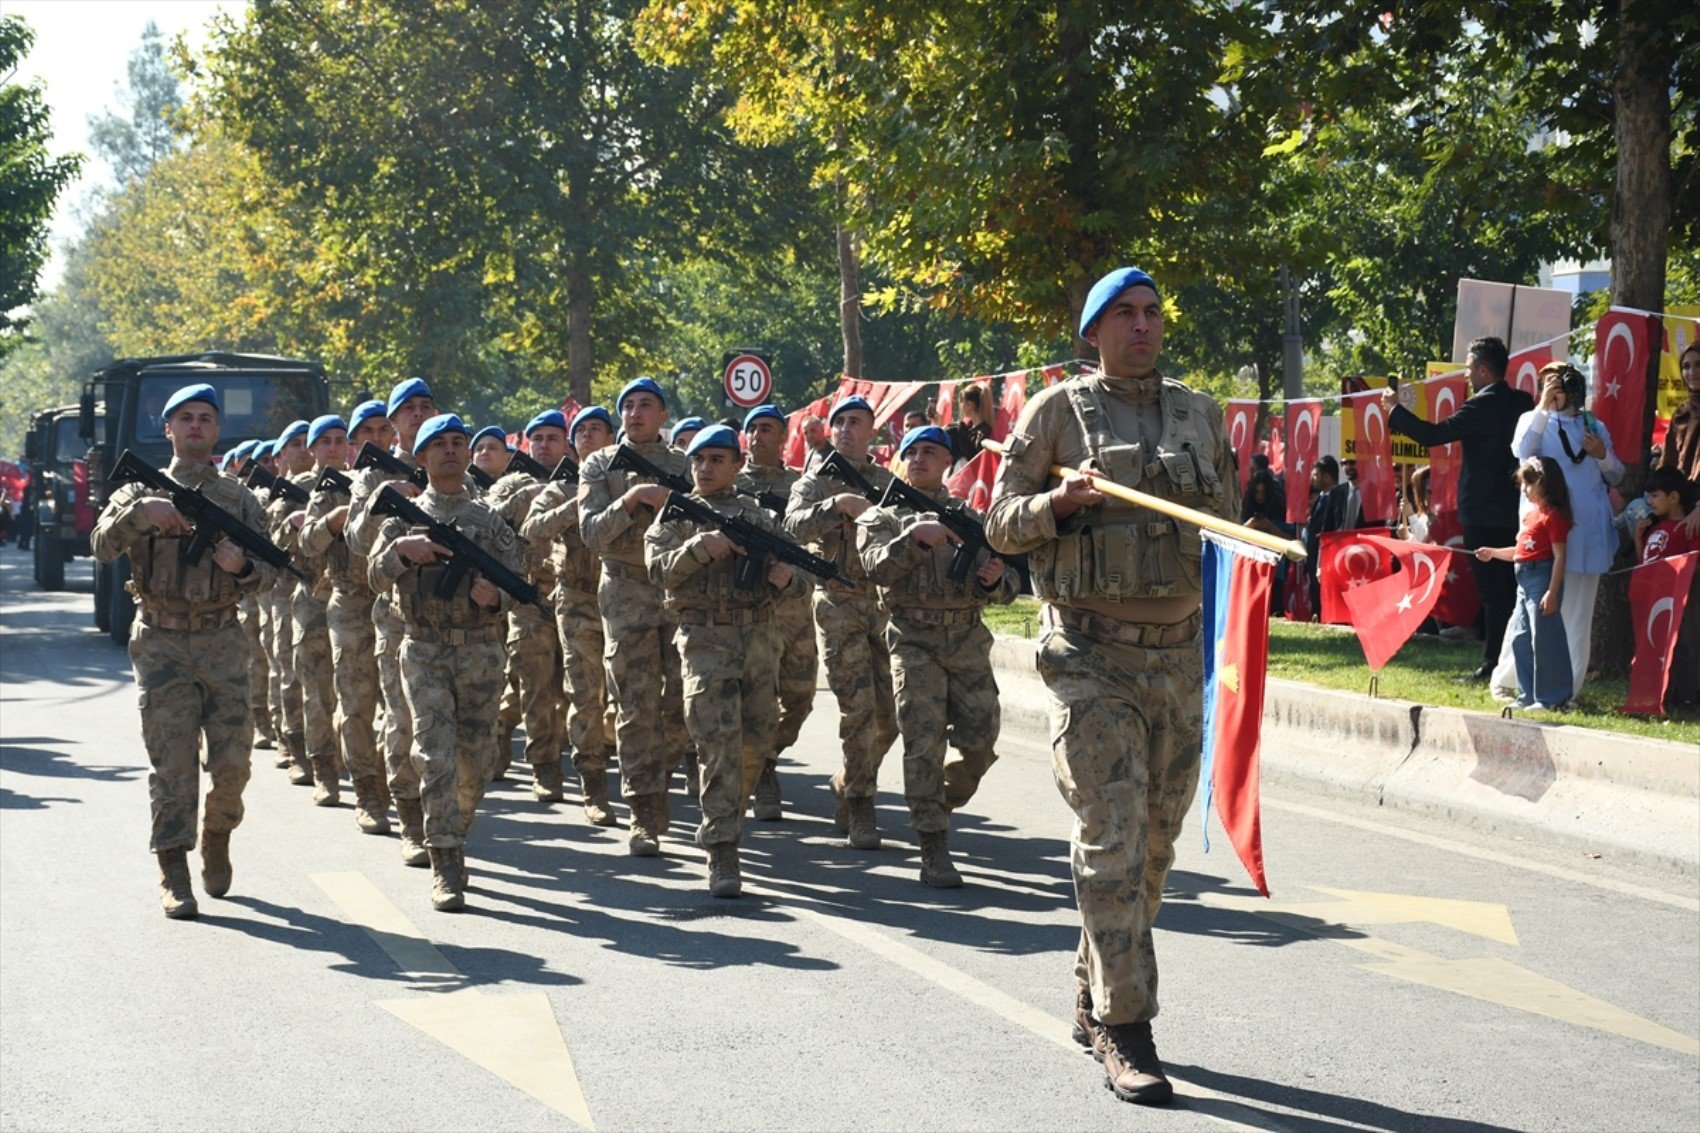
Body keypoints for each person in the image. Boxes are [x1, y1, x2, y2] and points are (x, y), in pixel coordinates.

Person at [985, 266, 1236, 1105]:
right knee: (1112, 835)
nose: (1143, 325)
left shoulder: (1204, 412)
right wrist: (1055, 505)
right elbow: (998, 520)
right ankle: (1128, 1029)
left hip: (1177, 657)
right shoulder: (1054, 412)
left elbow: (1227, 526)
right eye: (1124, 313)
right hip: (1089, 657)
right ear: (1093, 331)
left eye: (1153, 311)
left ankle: (1095, 987)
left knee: (1155, 847)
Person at [90, 383, 276, 919]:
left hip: (222, 639)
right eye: (185, 418)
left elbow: (267, 573)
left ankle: (217, 832)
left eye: (205, 419)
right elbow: (102, 547)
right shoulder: (136, 491)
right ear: (168, 427)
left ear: (217, 431)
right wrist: (140, 512)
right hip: (162, 641)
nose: (196, 426)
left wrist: (239, 566)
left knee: (234, 764)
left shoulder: (239, 499)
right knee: (171, 764)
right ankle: (173, 865)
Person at [369, 413, 523, 911]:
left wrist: (494, 597)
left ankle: (453, 828)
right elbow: (372, 575)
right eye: (440, 444)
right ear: (423, 456)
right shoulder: (400, 519)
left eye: (460, 442)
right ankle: (446, 860)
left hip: (480, 649)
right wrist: (402, 550)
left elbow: (518, 586)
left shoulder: (490, 521)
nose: (452, 451)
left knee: (475, 761)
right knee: (434, 755)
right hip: (424, 647)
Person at [857, 425, 1019, 887]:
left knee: (980, 743)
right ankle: (932, 846)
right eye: (912, 452)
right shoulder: (882, 518)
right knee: (922, 743)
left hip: (967, 641)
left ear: (948, 462)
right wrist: (914, 538)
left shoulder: (972, 518)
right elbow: (874, 568)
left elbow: (1008, 588)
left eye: (931, 452)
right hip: (914, 639)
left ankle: (937, 801)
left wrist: (994, 580)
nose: (920, 459)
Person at [644, 425, 803, 896]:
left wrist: (788, 579)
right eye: (699, 460)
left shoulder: (759, 517)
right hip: (704, 639)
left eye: (717, 459)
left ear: (737, 465)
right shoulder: (676, 518)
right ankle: (722, 850)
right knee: (717, 744)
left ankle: (727, 819)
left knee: (756, 740)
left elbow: (803, 574)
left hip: (757, 637)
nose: (706, 468)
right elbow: (656, 571)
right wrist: (700, 547)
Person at [344, 377, 458, 868]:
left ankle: (446, 814)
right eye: (407, 409)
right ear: (391, 425)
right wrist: (382, 496)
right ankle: (407, 816)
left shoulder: (453, 465)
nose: (416, 414)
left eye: (424, 406)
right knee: (403, 719)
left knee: (452, 729)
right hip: (399, 619)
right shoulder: (371, 477)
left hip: (457, 618)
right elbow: (353, 539)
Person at [577, 377, 692, 854]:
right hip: (625, 588)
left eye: (646, 405)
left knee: (683, 701)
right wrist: (630, 501)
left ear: (663, 416)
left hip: (679, 589)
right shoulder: (600, 465)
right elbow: (589, 533)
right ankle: (642, 809)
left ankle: (660, 778)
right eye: (627, 406)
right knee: (634, 703)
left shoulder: (688, 465)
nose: (635, 413)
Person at [783, 395, 899, 849]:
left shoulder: (888, 482)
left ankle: (847, 779)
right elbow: (791, 526)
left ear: (873, 431)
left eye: (857, 422)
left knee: (890, 718)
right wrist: (836, 507)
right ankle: (861, 808)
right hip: (837, 602)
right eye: (840, 423)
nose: (847, 429)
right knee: (858, 709)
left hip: (883, 605)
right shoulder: (815, 482)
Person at [1383, 336, 1533, 680]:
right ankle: (1510, 660)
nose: (1467, 377)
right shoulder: (1523, 401)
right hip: (1515, 510)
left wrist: (1394, 410)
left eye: (1468, 369)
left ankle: (1495, 662)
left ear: (1482, 368)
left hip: (1482, 513)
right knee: (1510, 590)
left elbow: (1432, 435)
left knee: (1494, 595)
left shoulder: (1480, 406)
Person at [299, 399, 394, 833]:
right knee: (355, 702)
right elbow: (307, 543)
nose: (376, 439)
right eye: (367, 433)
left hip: (397, 604)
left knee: (399, 706)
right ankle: (366, 791)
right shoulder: (334, 489)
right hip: (351, 603)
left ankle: (400, 787)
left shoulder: (410, 478)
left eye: (382, 429)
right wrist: (334, 520)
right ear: (357, 444)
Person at [521, 405, 618, 825]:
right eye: (581, 431)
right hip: (576, 601)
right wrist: (572, 508)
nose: (589, 437)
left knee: (637, 698)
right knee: (582, 693)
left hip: (626, 600)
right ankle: (589, 782)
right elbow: (531, 529)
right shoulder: (560, 488)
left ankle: (652, 775)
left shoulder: (624, 485)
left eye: (598, 430)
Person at [1500, 361, 1622, 699]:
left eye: (1564, 380)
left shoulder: (1594, 425)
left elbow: (1617, 476)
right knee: (1532, 614)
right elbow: (1522, 452)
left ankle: (1567, 690)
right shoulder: (1531, 419)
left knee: (1578, 617)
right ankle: (1512, 680)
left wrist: (1602, 454)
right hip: (1543, 539)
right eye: (1548, 381)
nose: (1557, 387)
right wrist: (1543, 407)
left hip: (1586, 536)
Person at [487, 409, 572, 801]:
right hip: (527, 595)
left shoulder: (581, 480)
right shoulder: (511, 484)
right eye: (537, 438)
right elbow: (486, 520)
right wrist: (525, 497)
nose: (544, 445)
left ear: (566, 443)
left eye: (553, 438)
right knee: (534, 681)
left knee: (564, 684)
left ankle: (503, 728)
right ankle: (543, 765)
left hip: (571, 594)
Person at [736, 403, 815, 821]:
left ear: (784, 437)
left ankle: (767, 751)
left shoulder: (800, 486)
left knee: (800, 700)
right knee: (758, 701)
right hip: (752, 610)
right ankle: (761, 768)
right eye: (753, 429)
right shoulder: (732, 482)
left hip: (796, 608)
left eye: (768, 429)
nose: (758, 436)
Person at [281, 415, 350, 807]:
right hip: (311, 599)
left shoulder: (362, 486)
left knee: (359, 694)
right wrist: (294, 522)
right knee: (316, 691)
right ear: (312, 449)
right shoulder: (297, 489)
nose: (333, 448)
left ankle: (360, 766)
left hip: (356, 599)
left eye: (340, 440)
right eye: (325, 442)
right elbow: (274, 538)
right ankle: (322, 768)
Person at [1475, 457, 1572, 710]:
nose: (1524, 490)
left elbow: (1560, 555)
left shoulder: (1553, 516)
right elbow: (1519, 551)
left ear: (1543, 483)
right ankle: (1528, 694)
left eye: (1528, 484)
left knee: (1544, 638)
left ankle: (1551, 697)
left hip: (1541, 578)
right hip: (1523, 582)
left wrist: (1552, 590)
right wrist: (1493, 553)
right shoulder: (1531, 516)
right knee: (1520, 637)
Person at [265, 420, 315, 789]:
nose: (302, 450)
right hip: (284, 595)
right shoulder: (279, 499)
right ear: (280, 456)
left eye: (305, 443)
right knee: (289, 673)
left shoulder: (324, 490)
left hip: (321, 594)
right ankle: (292, 743)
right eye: (293, 444)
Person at [1635, 465, 1698, 709]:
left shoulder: (1688, 527)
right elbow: (1645, 565)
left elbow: (1695, 563)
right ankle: (1659, 692)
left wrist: (1677, 568)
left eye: (1654, 495)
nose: (1649, 501)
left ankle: (1687, 696)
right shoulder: (1653, 528)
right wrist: (1638, 539)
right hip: (1653, 598)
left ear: (1674, 497)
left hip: (1678, 599)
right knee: (1654, 643)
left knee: (1682, 645)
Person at [1655, 341, 1700, 540]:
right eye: (1686, 366)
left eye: (1699, 364)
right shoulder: (1681, 413)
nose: (1692, 372)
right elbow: (1669, 461)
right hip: (1682, 506)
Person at [945, 384, 994, 465]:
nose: (960, 406)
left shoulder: (983, 432)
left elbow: (974, 459)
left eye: (962, 402)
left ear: (970, 405)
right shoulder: (968, 427)